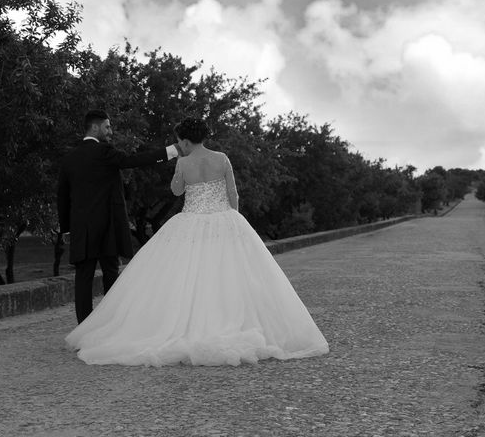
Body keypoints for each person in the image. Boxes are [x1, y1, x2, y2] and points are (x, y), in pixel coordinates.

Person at [65, 117, 329, 366]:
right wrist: (232, 220)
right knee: (228, 275)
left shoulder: (184, 162)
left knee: (185, 275)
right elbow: (232, 193)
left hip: (190, 221)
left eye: (180, 140)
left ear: (186, 140)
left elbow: (177, 191)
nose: (180, 145)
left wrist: (179, 172)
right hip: (224, 220)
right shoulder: (222, 158)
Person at [57, 109, 179, 323]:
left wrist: (66, 228)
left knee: (83, 279)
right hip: (107, 226)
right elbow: (135, 160)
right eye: (107, 126)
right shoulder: (105, 152)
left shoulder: (69, 159)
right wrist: (172, 151)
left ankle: (83, 329)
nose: (110, 131)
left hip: (82, 229)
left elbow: (63, 197)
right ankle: (111, 325)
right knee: (111, 276)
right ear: (95, 127)